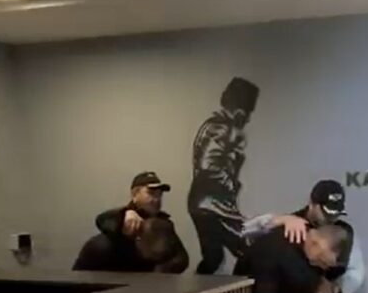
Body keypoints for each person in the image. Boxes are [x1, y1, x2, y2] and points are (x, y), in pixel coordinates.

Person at [188, 77, 260, 274]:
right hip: (214, 205)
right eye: (248, 112)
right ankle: (242, 290)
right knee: (248, 248)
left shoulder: (217, 126)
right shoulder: (220, 128)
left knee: (213, 258)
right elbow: (208, 165)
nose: (248, 119)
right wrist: (230, 184)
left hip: (203, 203)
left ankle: (197, 289)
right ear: (240, 110)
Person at [94, 171, 189, 273]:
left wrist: (158, 274)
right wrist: (124, 215)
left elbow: (181, 258)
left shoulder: (163, 223)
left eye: (159, 195)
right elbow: (103, 220)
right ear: (135, 194)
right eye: (151, 193)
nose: (157, 199)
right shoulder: (121, 218)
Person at [73, 216, 183, 272]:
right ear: (138, 240)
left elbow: (181, 259)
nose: (153, 261)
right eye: (152, 255)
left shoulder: (162, 230)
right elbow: (77, 281)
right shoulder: (102, 248)